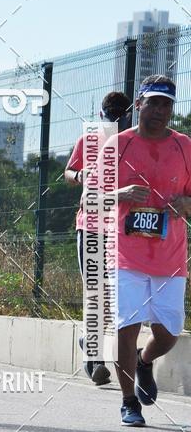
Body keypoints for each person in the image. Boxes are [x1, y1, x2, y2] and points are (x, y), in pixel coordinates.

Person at [93, 76, 191, 426]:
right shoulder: (116, 145)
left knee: (169, 331)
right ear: (139, 105)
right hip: (126, 254)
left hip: (170, 256)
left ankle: (144, 361)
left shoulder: (184, 146)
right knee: (127, 324)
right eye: (153, 103)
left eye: (166, 104)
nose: (160, 111)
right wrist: (120, 194)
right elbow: (91, 198)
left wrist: (186, 202)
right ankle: (128, 400)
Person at [65, 91, 130, 385]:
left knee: (111, 296)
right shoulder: (89, 141)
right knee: (95, 291)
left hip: (122, 228)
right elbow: (68, 172)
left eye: (121, 114)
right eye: (111, 114)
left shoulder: (135, 143)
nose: (116, 119)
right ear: (102, 115)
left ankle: (87, 343)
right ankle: (95, 360)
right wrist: (81, 175)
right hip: (91, 225)